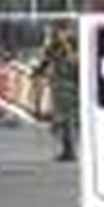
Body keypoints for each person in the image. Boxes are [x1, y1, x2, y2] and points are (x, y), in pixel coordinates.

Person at [34, 23, 78, 163]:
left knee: (66, 119)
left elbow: (75, 63)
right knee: (61, 118)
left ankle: (69, 149)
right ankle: (66, 148)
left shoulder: (73, 44)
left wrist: (67, 46)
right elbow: (45, 61)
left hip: (68, 86)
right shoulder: (54, 47)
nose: (58, 34)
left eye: (61, 31)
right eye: (57, 32)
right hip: (58, 85)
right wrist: (37, 72)